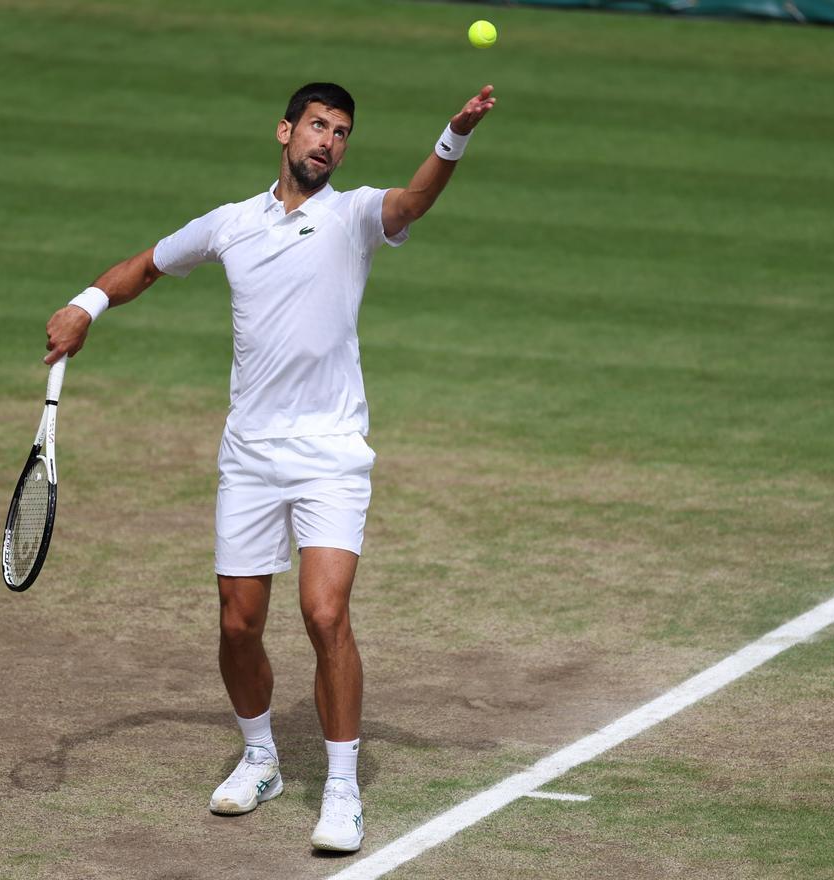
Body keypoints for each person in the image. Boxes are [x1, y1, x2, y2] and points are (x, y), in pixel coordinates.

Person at [43, 82, 496, 852]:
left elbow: (414, 201)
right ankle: (261, 759)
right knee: (237, 623)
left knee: (324, 614)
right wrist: (86, 305)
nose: (329, 141)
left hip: (330, 455)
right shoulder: (231, 224)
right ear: (286, 131)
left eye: (342, 132)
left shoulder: (353, 215)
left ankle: (344, 789)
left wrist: (452, 136)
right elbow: (147, 265)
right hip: (250, 456)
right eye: (318, 126)